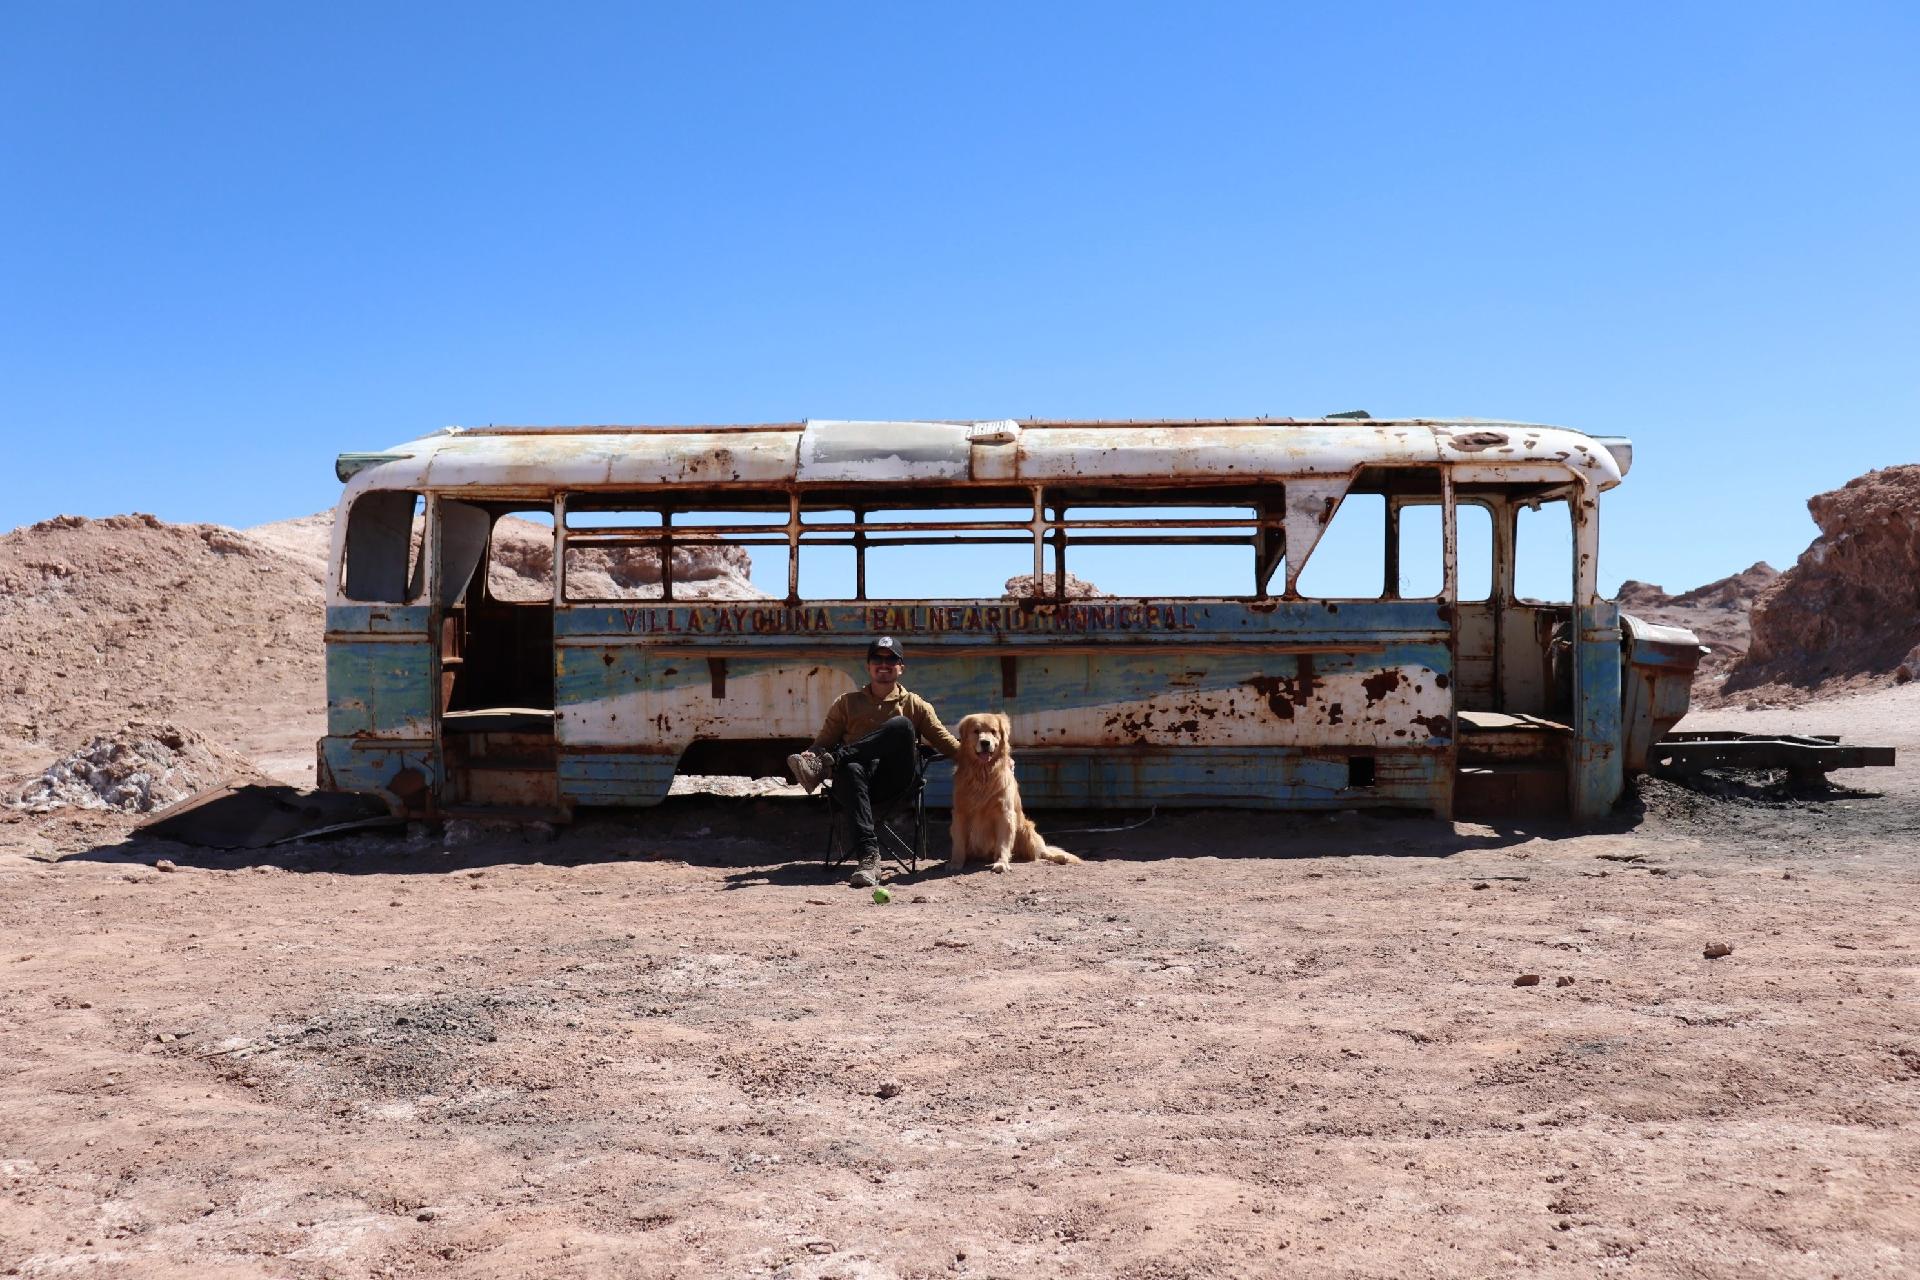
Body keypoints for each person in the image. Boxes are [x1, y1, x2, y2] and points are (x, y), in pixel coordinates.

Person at [787, 636, 960, 888]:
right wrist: (811, 755)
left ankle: (833, 762)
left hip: (894, 782)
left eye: (891, 659)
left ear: (901, 667)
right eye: (877, 658)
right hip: (855, 783)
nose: (884, 664)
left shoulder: (915, 704)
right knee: (851, 767)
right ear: (868, 666)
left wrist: (988, 757)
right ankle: (868, 859)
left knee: (901, 726)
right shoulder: (847, 703)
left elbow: (948, 744)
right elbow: (820, 743)